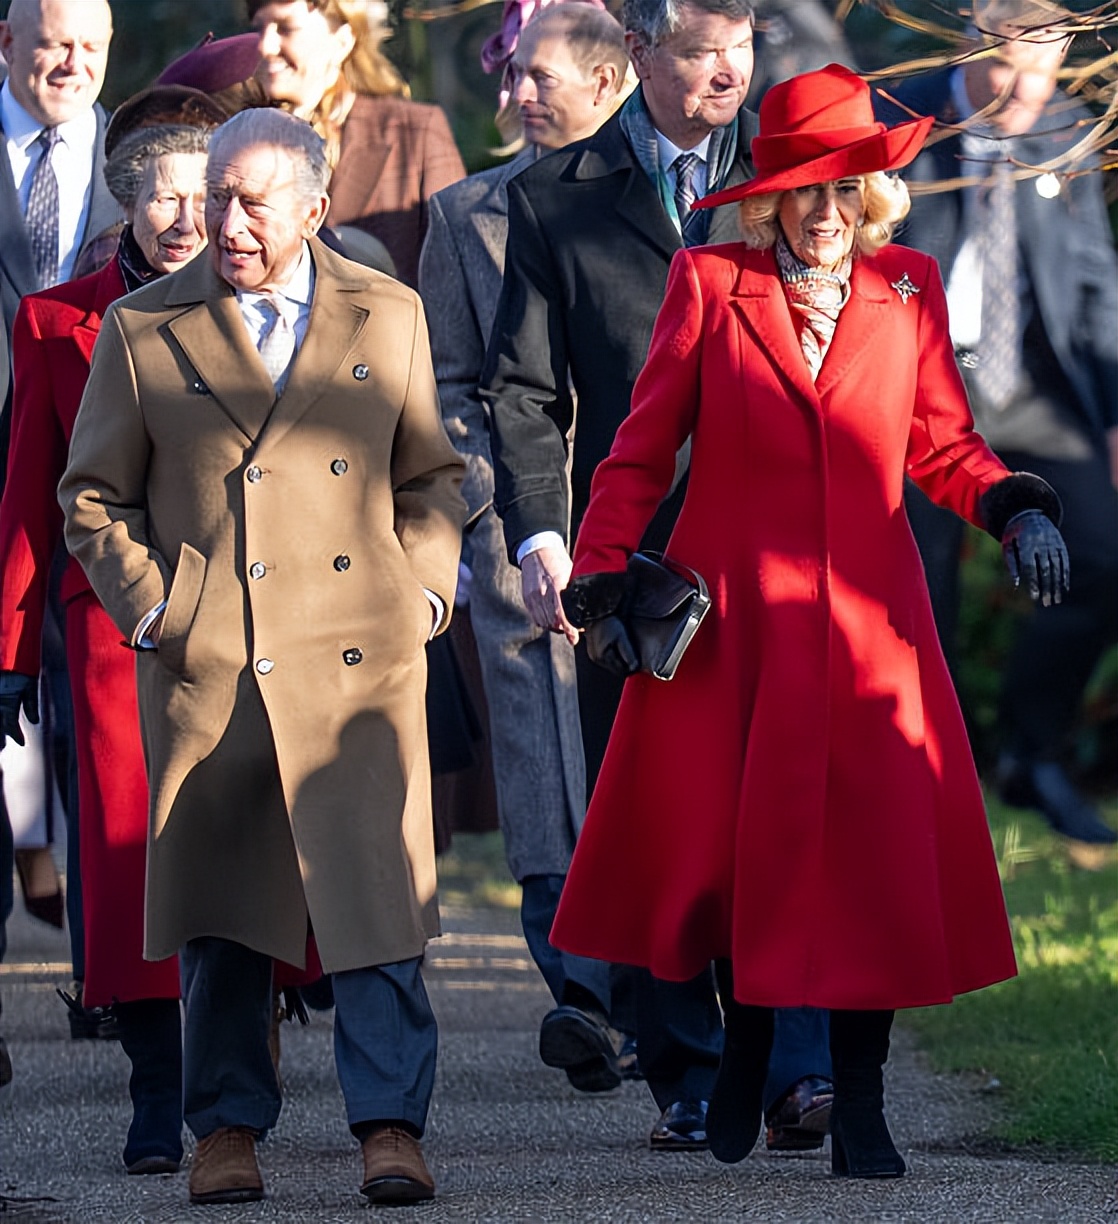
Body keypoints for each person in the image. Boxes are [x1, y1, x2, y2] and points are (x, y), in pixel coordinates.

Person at [549, 63, 1068, 1179]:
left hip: (869, 633)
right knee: (740, 859)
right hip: (734, 626)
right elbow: (640, 450)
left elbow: (940, 446)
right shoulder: (709, 286)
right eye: (804, 192)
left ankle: (865, 1104)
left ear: (871, 197)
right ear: (771, 199)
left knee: (870, 869)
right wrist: (597, 572)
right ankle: (743, 1056)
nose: (826, 213)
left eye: (845, 192)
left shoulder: (908, 291)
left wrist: (1014, 507)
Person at [59, 107, 466, 1207]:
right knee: (223, 913)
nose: (223, 223)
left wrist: (422, 589)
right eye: (216, 196)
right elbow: (90, 497)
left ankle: (389, 1127)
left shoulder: (387, 313)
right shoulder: (144, 327)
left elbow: (432, 475)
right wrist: (158, 611)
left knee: (378, 900)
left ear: (314, 209)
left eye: (251, 202)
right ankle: (224, 1128)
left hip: (356, 655)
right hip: (215, 657)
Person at [481, 0, 833, 1154]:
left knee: (783, 810)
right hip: (629, 567)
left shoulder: (792, 170)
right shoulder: (550, 196)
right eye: (697, 47)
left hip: (781, 546)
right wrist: (546, 544)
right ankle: (683, 1071)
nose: (727, 67)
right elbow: (525, 396)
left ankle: (792, 1067)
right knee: (666, 819)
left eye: (739, 44)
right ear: (638, 54)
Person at [0, 83, 226, 1171]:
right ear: (127, 203)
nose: (186, 217)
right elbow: (27, 498)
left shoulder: (261, 304)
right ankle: (154, 1082)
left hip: (246, 605)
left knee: (237, 848)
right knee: (127, 856)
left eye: (204, 196)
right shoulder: (54, 318)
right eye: (164, 198)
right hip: (110, 623)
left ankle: (236, 1081)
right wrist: (6, 654)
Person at [420, 1, 632, 1094]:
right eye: (509, 78)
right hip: (520, 541)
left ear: (607, 81)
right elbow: (449, 386)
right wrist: (493, 509)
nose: (512, 97)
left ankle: (666, 1003)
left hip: (650, 540)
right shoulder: (466, 215)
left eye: (535, 76)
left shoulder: (663, 203)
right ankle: (583, 1000)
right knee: (544, 769)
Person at [877, 0, 1117, 845]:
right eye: (1010, 71)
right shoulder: (901, 118)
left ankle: (1031, 751)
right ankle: (933, 786)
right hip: (925, 383)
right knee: (919, 582)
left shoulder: (1064, 126)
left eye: (1045, 76)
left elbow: (1094, 281)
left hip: (1033, 385)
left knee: (1102, 557)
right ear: (973, 42)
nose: (1024, 95)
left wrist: (1116, 417)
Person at [0, 0, 121, 1071]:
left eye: (90, 48)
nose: (70, 64)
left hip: (99, 479)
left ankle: (105, 968)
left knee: (94, 732)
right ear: (4, 46)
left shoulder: (139, 158)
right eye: (51, 44)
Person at [247, 0, 465, 288]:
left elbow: (455, 281)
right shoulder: (238, 138)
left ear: (342, 41)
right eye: (258, 30)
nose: (265, 46)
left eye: (286, 28)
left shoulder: (415, 133)